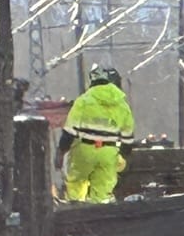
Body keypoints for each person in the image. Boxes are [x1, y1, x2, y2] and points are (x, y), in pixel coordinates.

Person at [57, 65, 136, 203]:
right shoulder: (122, 105)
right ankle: (99, 214)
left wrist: (61, 151)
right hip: (109, 152)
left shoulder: (83, 101)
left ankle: (76, 211)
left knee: (77, 185)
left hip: (84, 151)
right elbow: (128, 140)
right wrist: (121, 156)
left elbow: (70, 132)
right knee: (102, 193)